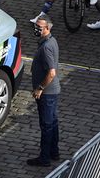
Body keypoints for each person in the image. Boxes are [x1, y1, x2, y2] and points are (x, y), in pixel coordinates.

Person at [28, 15, 60, 167]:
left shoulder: (46, 46)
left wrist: (40, 88)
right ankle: (54, 151)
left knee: (46, 124)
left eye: (39, 27)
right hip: (52, 92)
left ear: (48, 28)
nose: (36, 29)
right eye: (36, 26)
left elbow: (51, 72)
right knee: (52, 122)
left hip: (47, 93)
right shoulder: (50, 41)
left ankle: (45, 157)